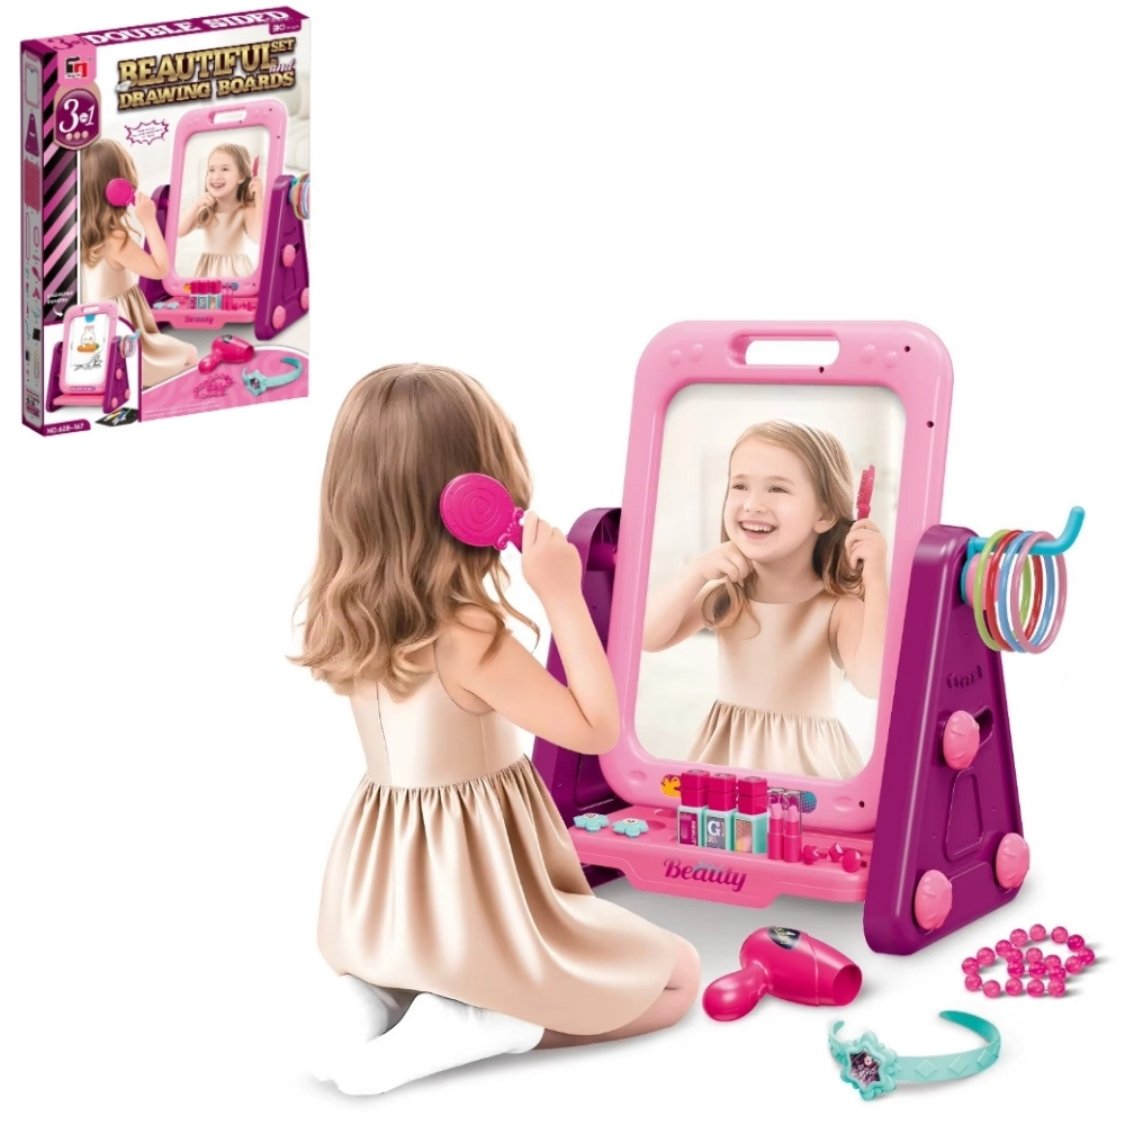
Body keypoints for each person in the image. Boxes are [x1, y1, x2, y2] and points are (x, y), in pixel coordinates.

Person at [296, 364, 699, 1096]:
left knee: (408, 967)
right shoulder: (468, 634)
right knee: (678, 978)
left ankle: (373, 996)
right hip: (474, 894)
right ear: (472, 495)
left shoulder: (346, 615)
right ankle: (491, 1025)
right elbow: (594, 727)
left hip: (383, 900)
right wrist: (563, 594)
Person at [643, 420, 888, 779]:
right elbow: (648, 637)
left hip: (807, 775)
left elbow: (872, 682)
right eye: (740, 485)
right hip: (727, 765)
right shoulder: (728, 594)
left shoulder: (837, 608)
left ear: (823, 513)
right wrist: (694, 572)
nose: (753, 504)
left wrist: (876, 580)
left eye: (777, 488)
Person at [80, 139, 197, 388]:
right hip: (123, 333)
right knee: (190, 353)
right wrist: (149, 220)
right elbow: (160, 269)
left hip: (98, 329)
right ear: (118, 186)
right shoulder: (115, 238)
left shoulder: (84, 233)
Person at [177, 143, 262, 277]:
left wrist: (259, 198)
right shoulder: (206, 209)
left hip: (236, 274)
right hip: (207, 273)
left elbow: (258, 237)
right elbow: (179, 231)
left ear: (241, 176)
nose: (216, 176)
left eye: (225, 169)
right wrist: (196, 205)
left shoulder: (244, 210)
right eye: (211, 170)